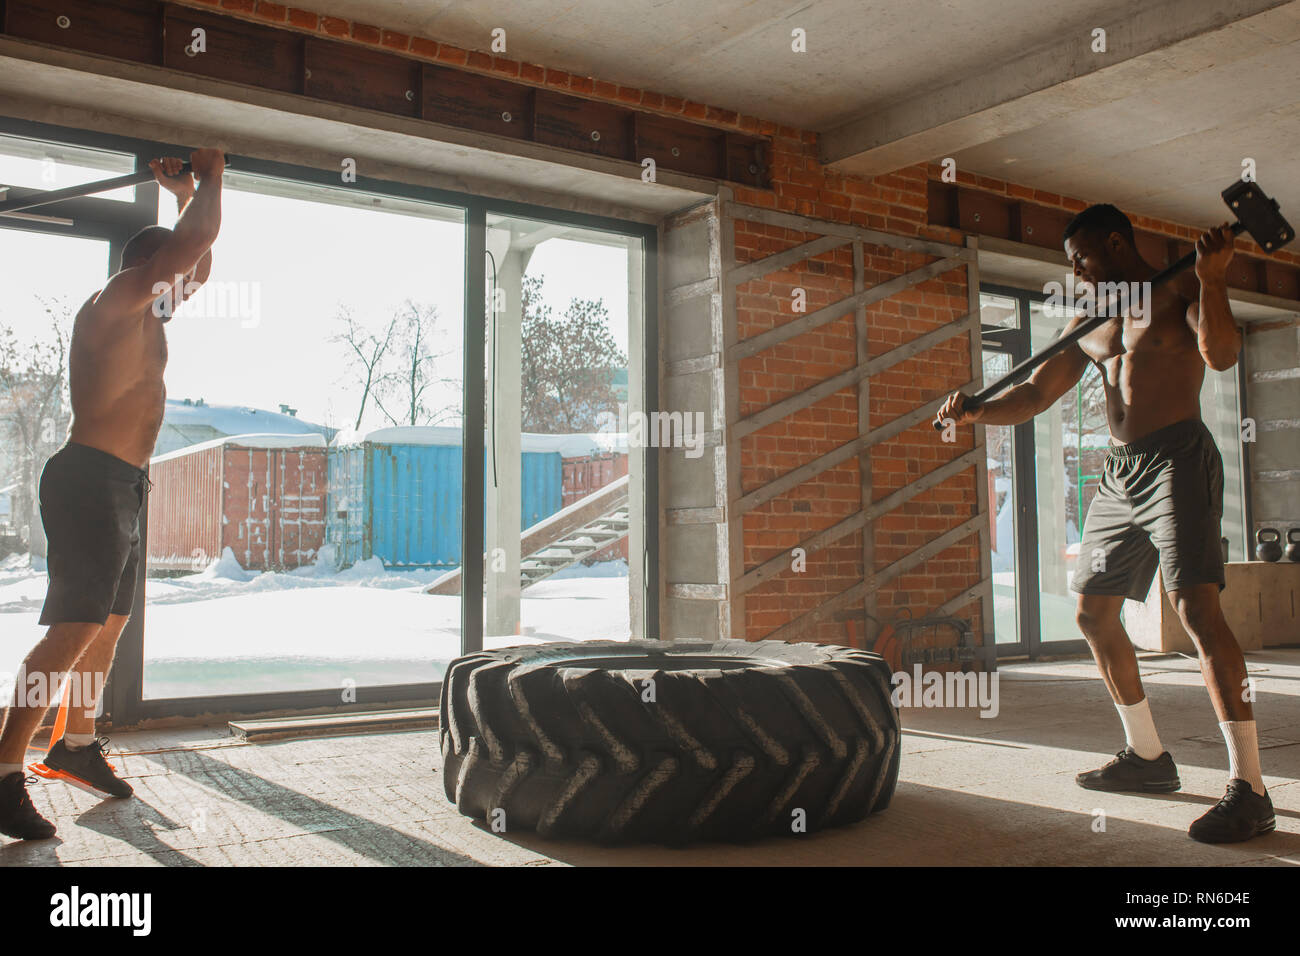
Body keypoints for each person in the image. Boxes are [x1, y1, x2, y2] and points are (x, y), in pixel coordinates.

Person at [936, 203, 1273, 843]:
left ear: (1116, 244)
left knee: (1198, 613)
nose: (1076, 273)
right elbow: (1034, 395)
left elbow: (1223, 355)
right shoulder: (1089, 323)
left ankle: (1250, 788)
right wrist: (978, 413)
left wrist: (1214, 278)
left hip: (1178, 456)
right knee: (1092, 613)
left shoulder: (1179, 289)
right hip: (1119, 472)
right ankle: (1148, 758)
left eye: (1081, 260)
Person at [0, 149, 225, 840]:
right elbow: (196, 245)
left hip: (124, 482)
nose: (184, 287)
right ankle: (4, 768)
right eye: (173, 276)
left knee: (108, 626)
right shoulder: (115, 303)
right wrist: (213, 181)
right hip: (89, 478)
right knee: (72, 628)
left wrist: (185, 190)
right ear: (146, 270)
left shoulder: (149, 311)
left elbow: (199, 257)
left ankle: (72, 745)